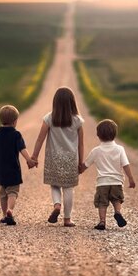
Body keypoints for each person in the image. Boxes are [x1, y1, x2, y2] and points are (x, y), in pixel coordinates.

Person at [31, 87, 84, 227]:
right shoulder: (78, 121)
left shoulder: (49, 118)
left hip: (53, 158)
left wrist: (34, 157)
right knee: (68, 188)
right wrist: (81, 162)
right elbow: (81, 145)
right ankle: (67, 219)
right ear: (72, 102)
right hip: (70, 159)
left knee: (54, 184)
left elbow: (40, 139)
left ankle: (57, 205)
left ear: (55, 102)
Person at [0, 105, 36, 226]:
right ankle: (10, 210)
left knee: (2, 193)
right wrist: (29, 160)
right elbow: (23, 149)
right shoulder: (16, 135)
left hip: (0, 170)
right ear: (14, 121)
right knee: (12, 192)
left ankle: (4, 215)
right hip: (13, 170)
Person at [80, 119, 136, 230]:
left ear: (98, 135)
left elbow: (85, 165)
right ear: (115, 134)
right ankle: (118, 212)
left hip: (102, 183)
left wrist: (79, 170)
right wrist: (131, 178)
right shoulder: (120, 149)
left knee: (102, 202)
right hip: (116, 181)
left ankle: (102, 222)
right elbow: (125, 165)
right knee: (116, 199)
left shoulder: (96, 151)